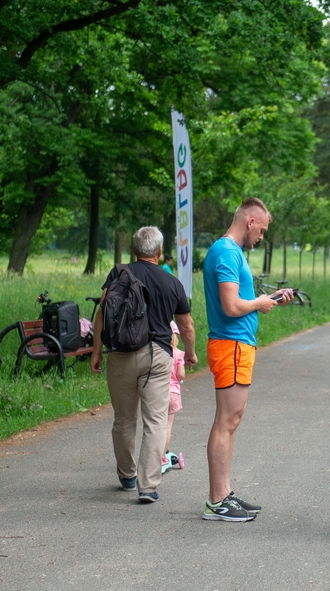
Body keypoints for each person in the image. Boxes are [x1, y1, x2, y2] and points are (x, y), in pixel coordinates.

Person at [202, 197, 294, 522]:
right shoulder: (227, 252)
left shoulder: (231, 252)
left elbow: (241, 301)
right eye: (263, 231)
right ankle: (217, 500)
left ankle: (224, 493)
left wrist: (267, 301)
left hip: (237, 345)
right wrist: (259, 303)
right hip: (231, 346)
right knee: (227, 421)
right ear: (250, 222)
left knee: (231, 421)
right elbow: (230, 306)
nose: (262, 238)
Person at [90, 226, 197, 503]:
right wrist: (191, 353)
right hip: (158, 356)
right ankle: (147, 486)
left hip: (120, 354)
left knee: (124, 418)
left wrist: (96, 351)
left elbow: (102, 313)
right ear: (159, 253)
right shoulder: (171, 281)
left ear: (134, 251)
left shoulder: (118, 273)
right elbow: (186, 325)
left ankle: (127, 476)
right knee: (156, 421)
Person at [162, 320, 185, 473]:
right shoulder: (178, 354)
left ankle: (153, 454)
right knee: (167, 427)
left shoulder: (158, 352)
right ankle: (163, 456)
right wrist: (180, 379)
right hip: (173, 393)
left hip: (158, 392)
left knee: (156, 425)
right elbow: (181, 374)